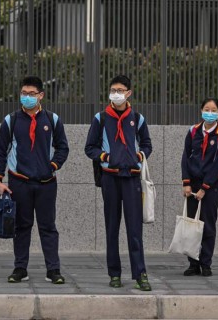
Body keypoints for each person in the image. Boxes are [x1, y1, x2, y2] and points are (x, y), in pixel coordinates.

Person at [0, 76, 69, 284]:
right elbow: (1, 151)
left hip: (46, 184)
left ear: (41, 95)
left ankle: (53, 270)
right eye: (24, 94)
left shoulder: (52, 120)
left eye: (31, 94)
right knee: (21, 226)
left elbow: (63, 148)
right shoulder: (11, 120)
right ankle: (20, 269)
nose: (27, 97)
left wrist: (52, 166)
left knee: (48, 227)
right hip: (19, 182)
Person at [84, 75, 153, 291]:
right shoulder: (101, 118)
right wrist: (104, 157)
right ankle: (114, 273)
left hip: (131, 178)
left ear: (129, 93)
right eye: (114, 89)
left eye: (121, 90)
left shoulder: (138, 118)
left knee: (134, 230)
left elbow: (147, 144)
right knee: (112, 228)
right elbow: (90, 147)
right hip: (110, 179)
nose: (117, 93)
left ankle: (140, 274)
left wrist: (139, 156)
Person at [180, 98, 218, 277]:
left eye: (214, 109)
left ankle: (206, 263)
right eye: (207, 109)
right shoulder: (193, 132)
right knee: (192, 225)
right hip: (191, 186)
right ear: (201, 110)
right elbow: (186, 157)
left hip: (211, 187)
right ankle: (193, 263)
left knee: (208, 225)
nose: (210, 112)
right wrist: (186, 182)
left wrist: (205, 187)